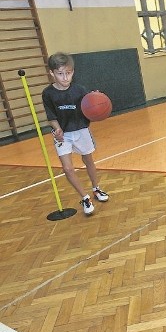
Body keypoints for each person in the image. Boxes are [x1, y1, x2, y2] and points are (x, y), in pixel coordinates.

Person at [43, 52, 109, 216]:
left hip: (81, 130)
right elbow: (51, 116)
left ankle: (96, 188)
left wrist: (96, 98)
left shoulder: (80, 90)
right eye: (60, 74)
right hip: (62, 134)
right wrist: (57, 129)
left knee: (88, 161)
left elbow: (89, 105)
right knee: (67, 168)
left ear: (73, 71)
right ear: (51, 73)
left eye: (69, 73)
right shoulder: (48, 93)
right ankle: (85, 197)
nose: (65, 77)